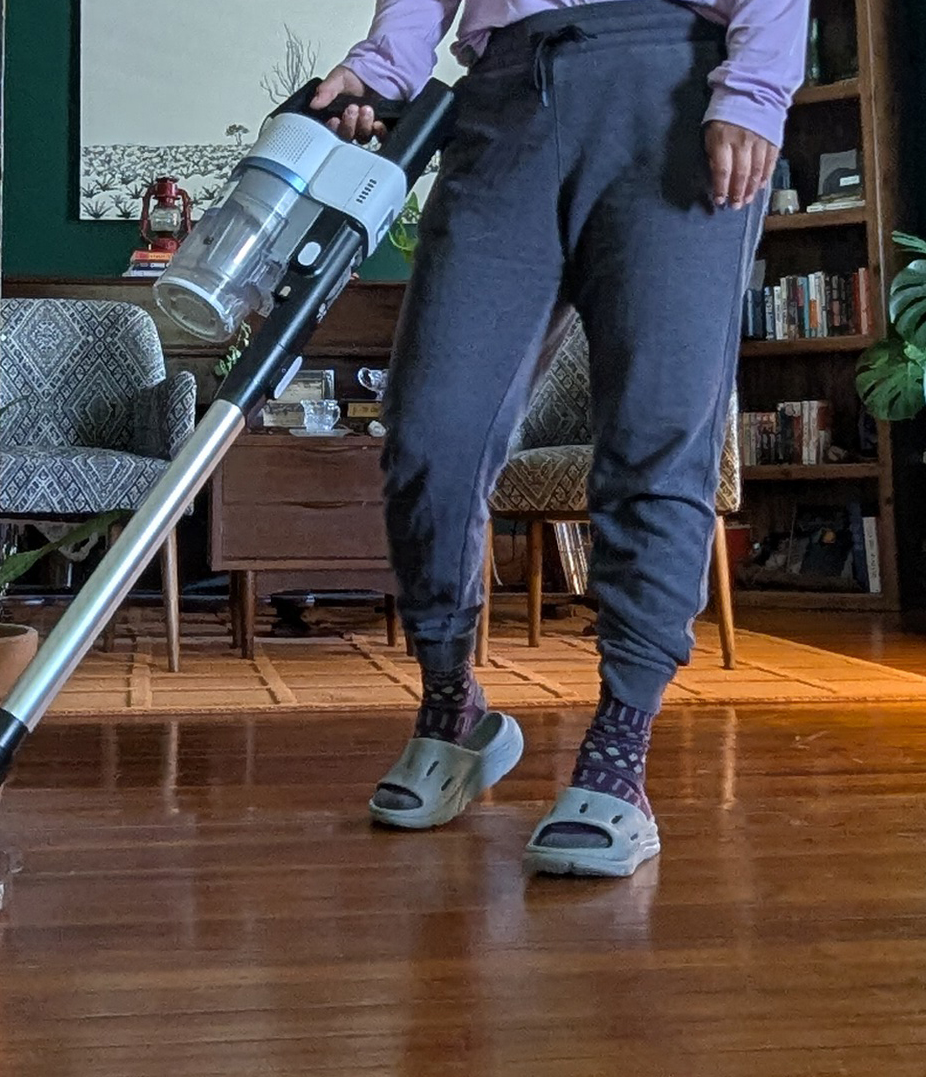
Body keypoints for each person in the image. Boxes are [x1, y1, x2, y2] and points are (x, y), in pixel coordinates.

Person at [315, 0, 805, 877]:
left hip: (677, 84)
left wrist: (756, 89)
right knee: (433, 430)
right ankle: (451, 705)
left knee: (659, 430)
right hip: (507, 93)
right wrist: (382, 67)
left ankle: (620, 748)